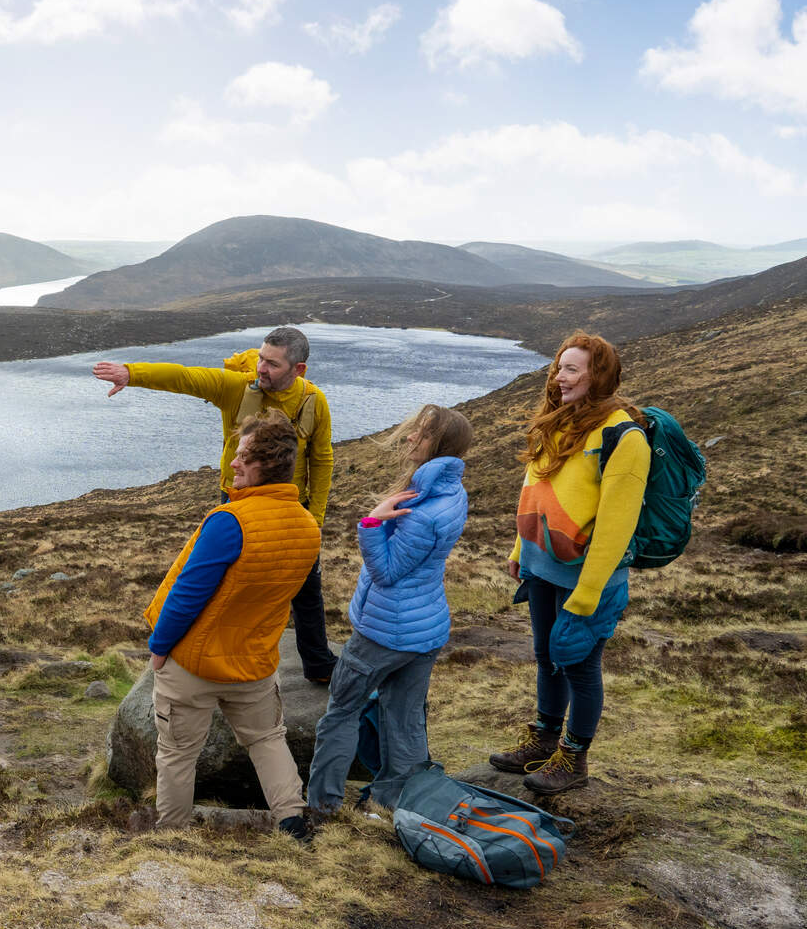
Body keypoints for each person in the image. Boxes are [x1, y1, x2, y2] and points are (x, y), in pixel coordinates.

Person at [95, 325, 338, 682]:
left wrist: (315, 516)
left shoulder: (314, 402)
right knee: (216, 583)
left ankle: (318, 664)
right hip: (237, 503)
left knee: (306, 589)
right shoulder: (237, 389)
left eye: (271, 364)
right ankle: (199, 652)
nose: (260, 369)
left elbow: (322, 459)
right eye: (259, 358)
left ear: (298, 370)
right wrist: (131, 374)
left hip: (292, 508)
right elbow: (186, 378)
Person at [144, 411, 322, 839]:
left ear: (266, 464)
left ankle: (171, 836)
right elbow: (304, 599)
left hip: (193, 663)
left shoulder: (230, 521)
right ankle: (292, 820)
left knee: (178, 753)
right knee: (267, 739)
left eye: (243, 456)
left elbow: (189, 593)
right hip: (254, 664)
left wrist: (160, 647)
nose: (234, 464)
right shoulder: (307, 524)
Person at [488, 332, 649, 794]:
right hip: (542, 567)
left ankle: (573, 758)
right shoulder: (556, 422)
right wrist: (521, 551)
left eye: (572, 369)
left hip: (586, 579)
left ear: (597, 375)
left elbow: (618, 528)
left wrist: (588, 593)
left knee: (578, 664)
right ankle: (542, 739)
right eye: (559, 367)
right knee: (546, 658)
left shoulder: (623, 436)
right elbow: (534, 489)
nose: (560, 376)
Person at [305, 404, 472, 817]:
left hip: (385, 630)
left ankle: (322, 806)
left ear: (440, 445)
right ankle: (393, 802)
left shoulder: (420, 510)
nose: (411, 438)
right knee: (405, 717)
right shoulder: (451, 492)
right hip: (425, 628)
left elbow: (387, 572)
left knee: (341, 711)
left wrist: (371, 524)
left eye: (422, 433)